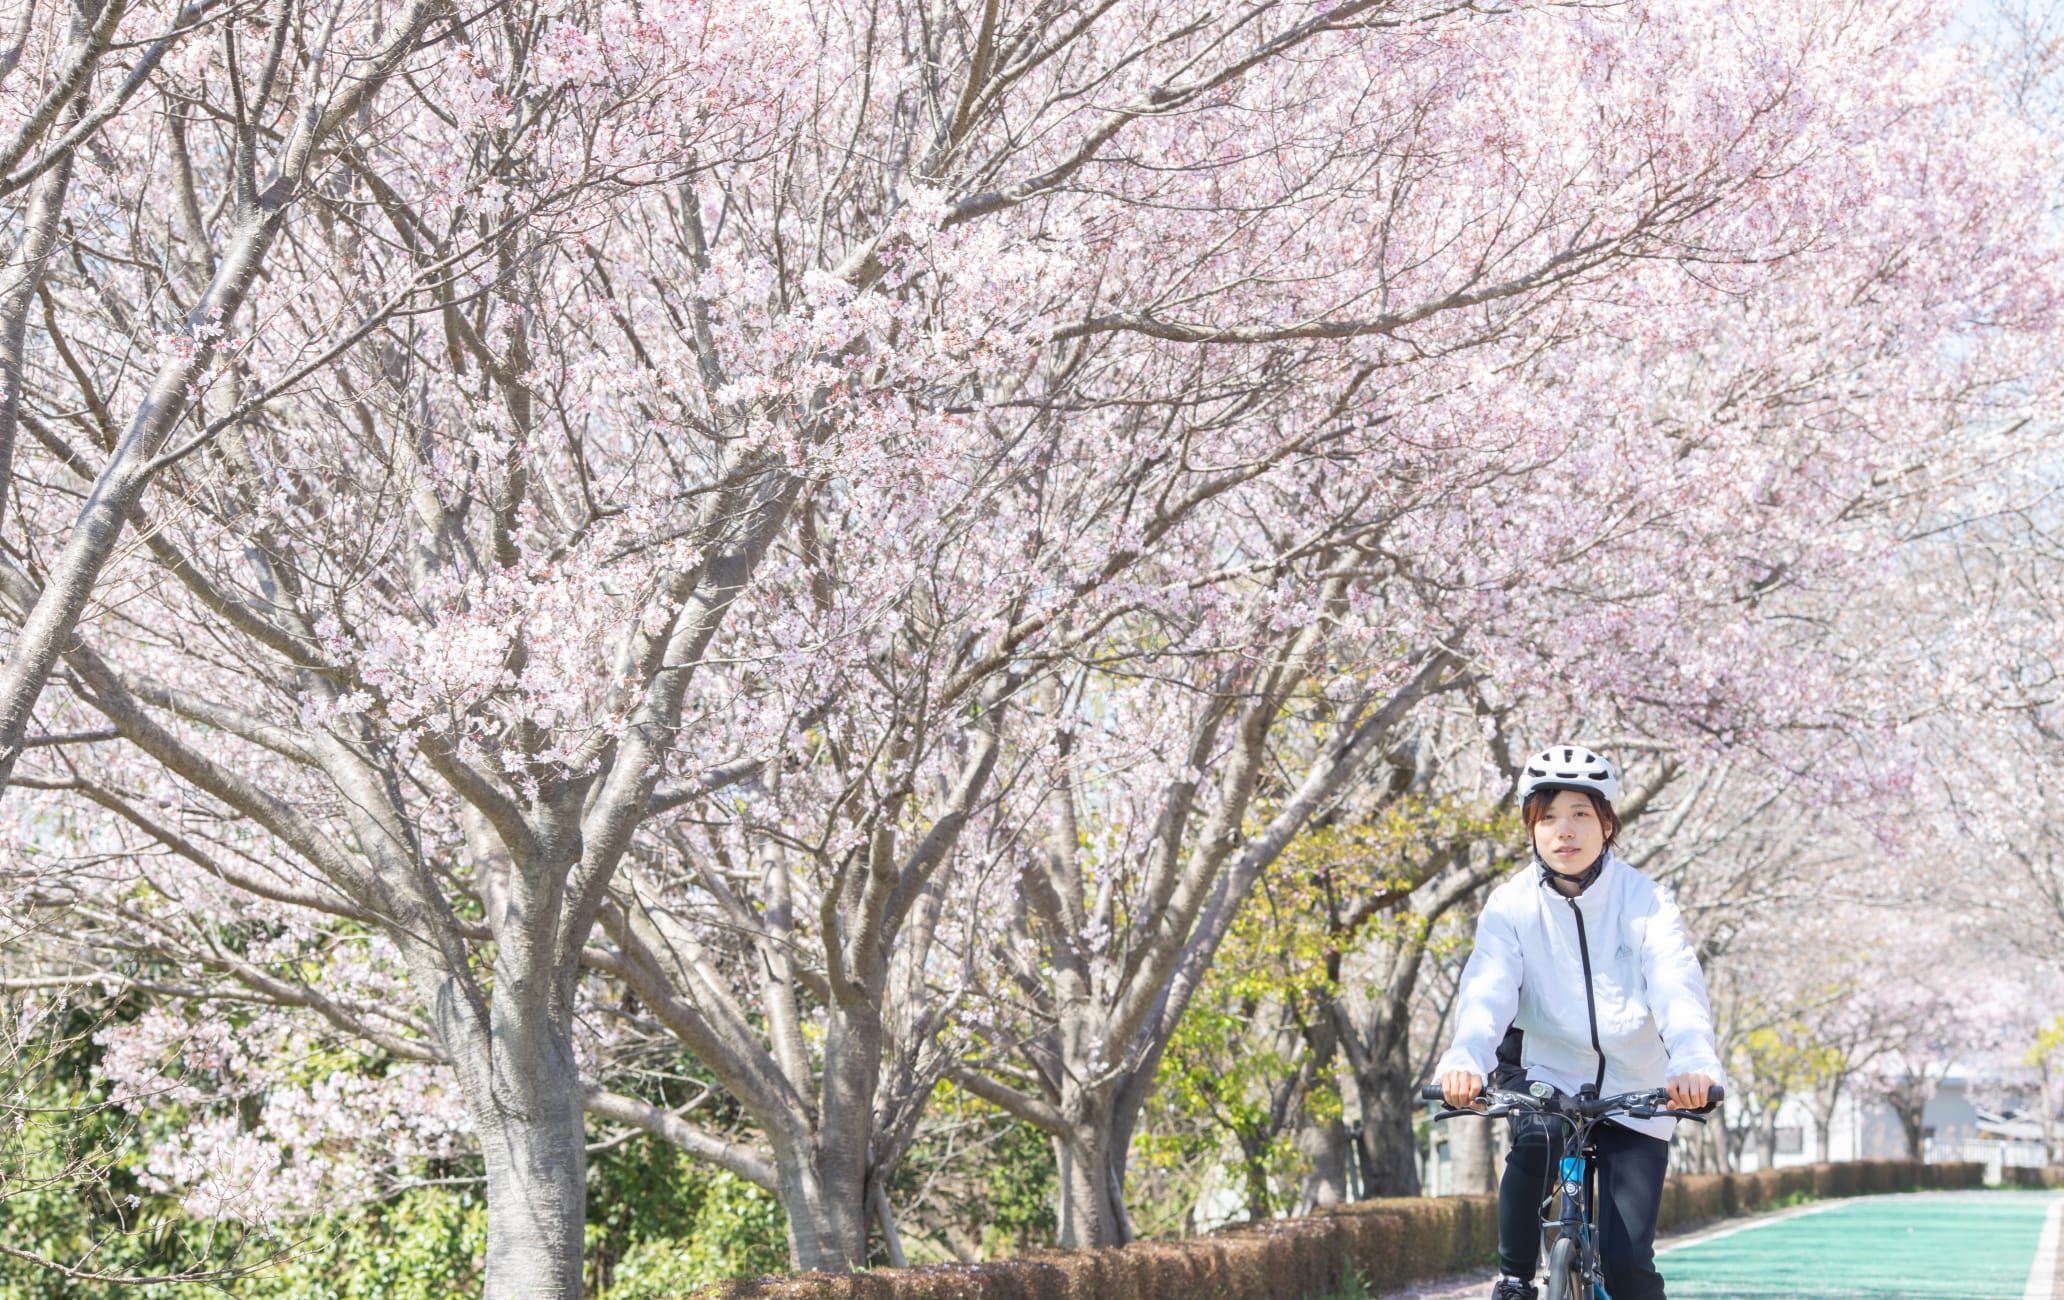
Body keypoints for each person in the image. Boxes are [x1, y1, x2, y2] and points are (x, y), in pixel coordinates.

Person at [1432, 745, 1724, 1300]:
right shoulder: (1510, 905)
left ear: (1608, 822)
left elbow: (1676, 987)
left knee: (1628, 1266)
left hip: (1638, 1088)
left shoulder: (1647, 902)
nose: (1564, 830)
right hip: (1550, 1074)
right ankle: (1515, 1280)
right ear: (1531, 829)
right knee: (1536, 1144)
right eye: (1547, 817)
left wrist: (1692, 1062)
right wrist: (1464, 1059)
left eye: (1580, 814)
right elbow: (1486, 992)